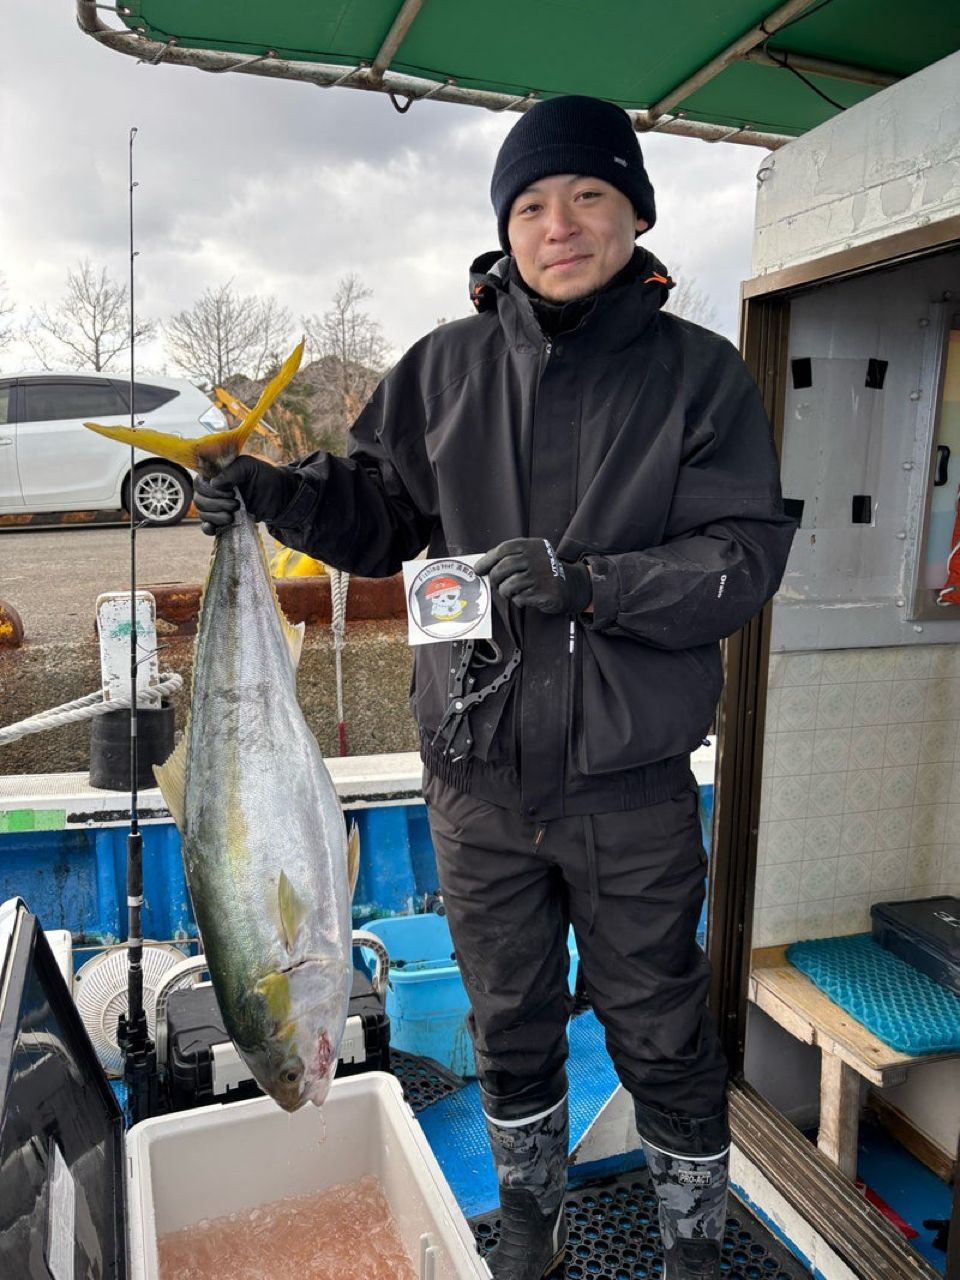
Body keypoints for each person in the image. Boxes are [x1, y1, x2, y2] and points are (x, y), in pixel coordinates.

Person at [195, 95, 796, 1280]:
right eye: (530, 205)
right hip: (475, 787)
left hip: (627, 789)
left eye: (586, 197)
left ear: (634, 213)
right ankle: (531, 1214)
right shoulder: (441, 369)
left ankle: (689, 1237)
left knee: (661, 1025)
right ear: (504, 229)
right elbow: (378, 518)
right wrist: (273, 495)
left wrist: (591, 582)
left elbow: (742, 560)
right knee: (507, 1021)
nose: (558, 225)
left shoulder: (700, 379)